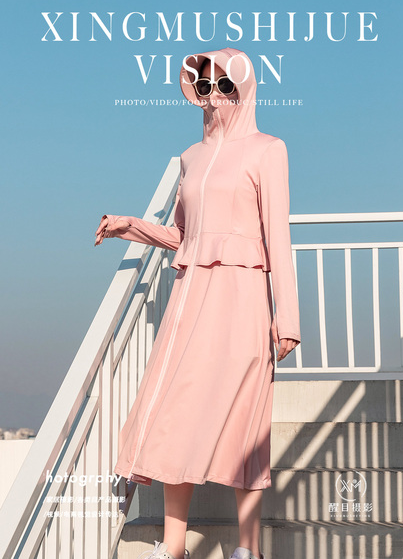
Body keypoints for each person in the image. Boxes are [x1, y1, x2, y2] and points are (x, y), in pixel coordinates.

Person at [95, 47, 301, 559]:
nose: (214, 96)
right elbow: (186, 237)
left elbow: (278, 238)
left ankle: (248, 549)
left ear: (243, 88)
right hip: (192, 300)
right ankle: (174, 546)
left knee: (245, 421)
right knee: (176, 411)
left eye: (224, 85)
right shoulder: (191, 157)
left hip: (245, 298)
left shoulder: (269, 149)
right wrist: (131, 227)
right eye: (204, 85)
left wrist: (287, 318)